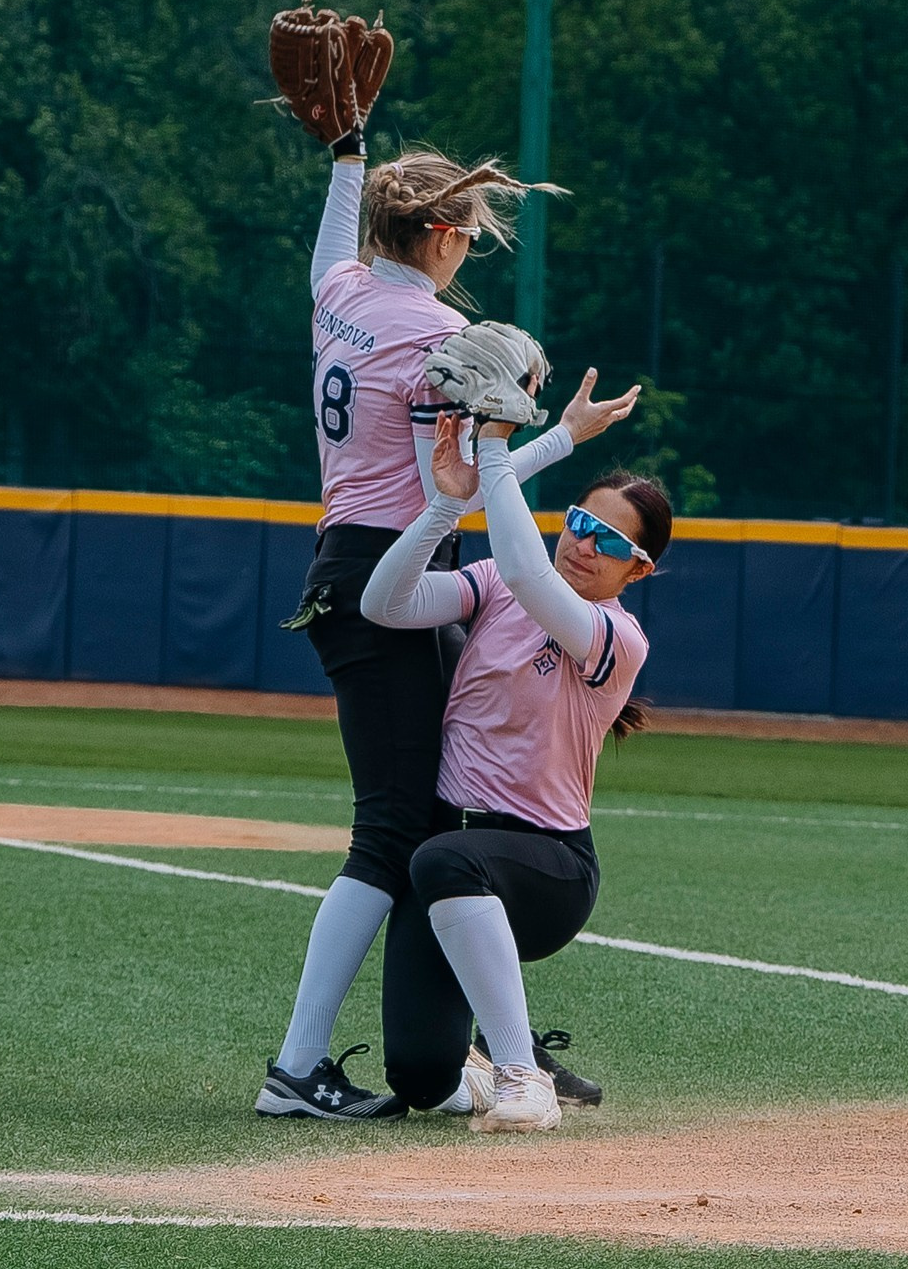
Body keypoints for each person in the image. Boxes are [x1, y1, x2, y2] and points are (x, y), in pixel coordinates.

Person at [258, 139, 638, 1121]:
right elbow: (455, 487)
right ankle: (298, 1068)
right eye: (466, 232)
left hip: (353, 565)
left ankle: (478, 1046)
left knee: (428, 826)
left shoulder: (338, 291)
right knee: (392, 832)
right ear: (433, 234)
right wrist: (530, 436)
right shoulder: (432, 329)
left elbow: (325, 256)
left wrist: (346, 153)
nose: (469, 249)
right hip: (395, 572)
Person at [359, 411, 671, 1131]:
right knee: (415, 1074)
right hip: (454, 857)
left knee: (441, 859)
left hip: (547, 867)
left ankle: (521, 1076)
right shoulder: (501, 581)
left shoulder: (617, 636)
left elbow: (531, 574)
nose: (584, 545)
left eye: (610, 541)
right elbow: (385, 603)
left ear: (638, 569)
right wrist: (445, 502)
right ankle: (483, 1058)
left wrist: (497, 446)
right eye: (579, 524)